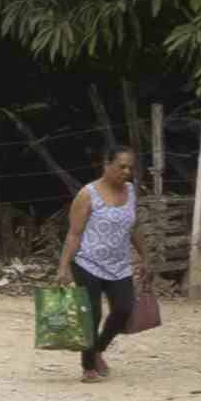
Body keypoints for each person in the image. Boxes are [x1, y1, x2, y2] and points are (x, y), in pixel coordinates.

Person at [62, 145, 150, 379]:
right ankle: (88, 367)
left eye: (130, 167)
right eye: (121, 166)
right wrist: (63, 267)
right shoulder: (87, 194)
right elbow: (74, 233)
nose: (126, 172)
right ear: (107, 164)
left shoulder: (130, 191)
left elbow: (134, 227)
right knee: (92, 315)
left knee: (123, 309)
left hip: (120, 265)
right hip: (87, 262)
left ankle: (98, 349)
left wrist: (144, 257)